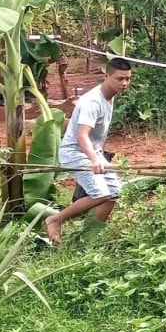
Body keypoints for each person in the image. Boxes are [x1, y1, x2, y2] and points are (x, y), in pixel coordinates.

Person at [43, 57, 133, 244]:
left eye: (128, 79)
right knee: (100, 193)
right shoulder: (92, 102)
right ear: (106, 76)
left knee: (115, 191)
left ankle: (90, 237)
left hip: (93, 152)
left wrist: (96, 156)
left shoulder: (109, 95)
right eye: (119, 79)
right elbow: (82, 135)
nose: (124, 83)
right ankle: (55, 219)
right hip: (75, 152)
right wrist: (94, 159)